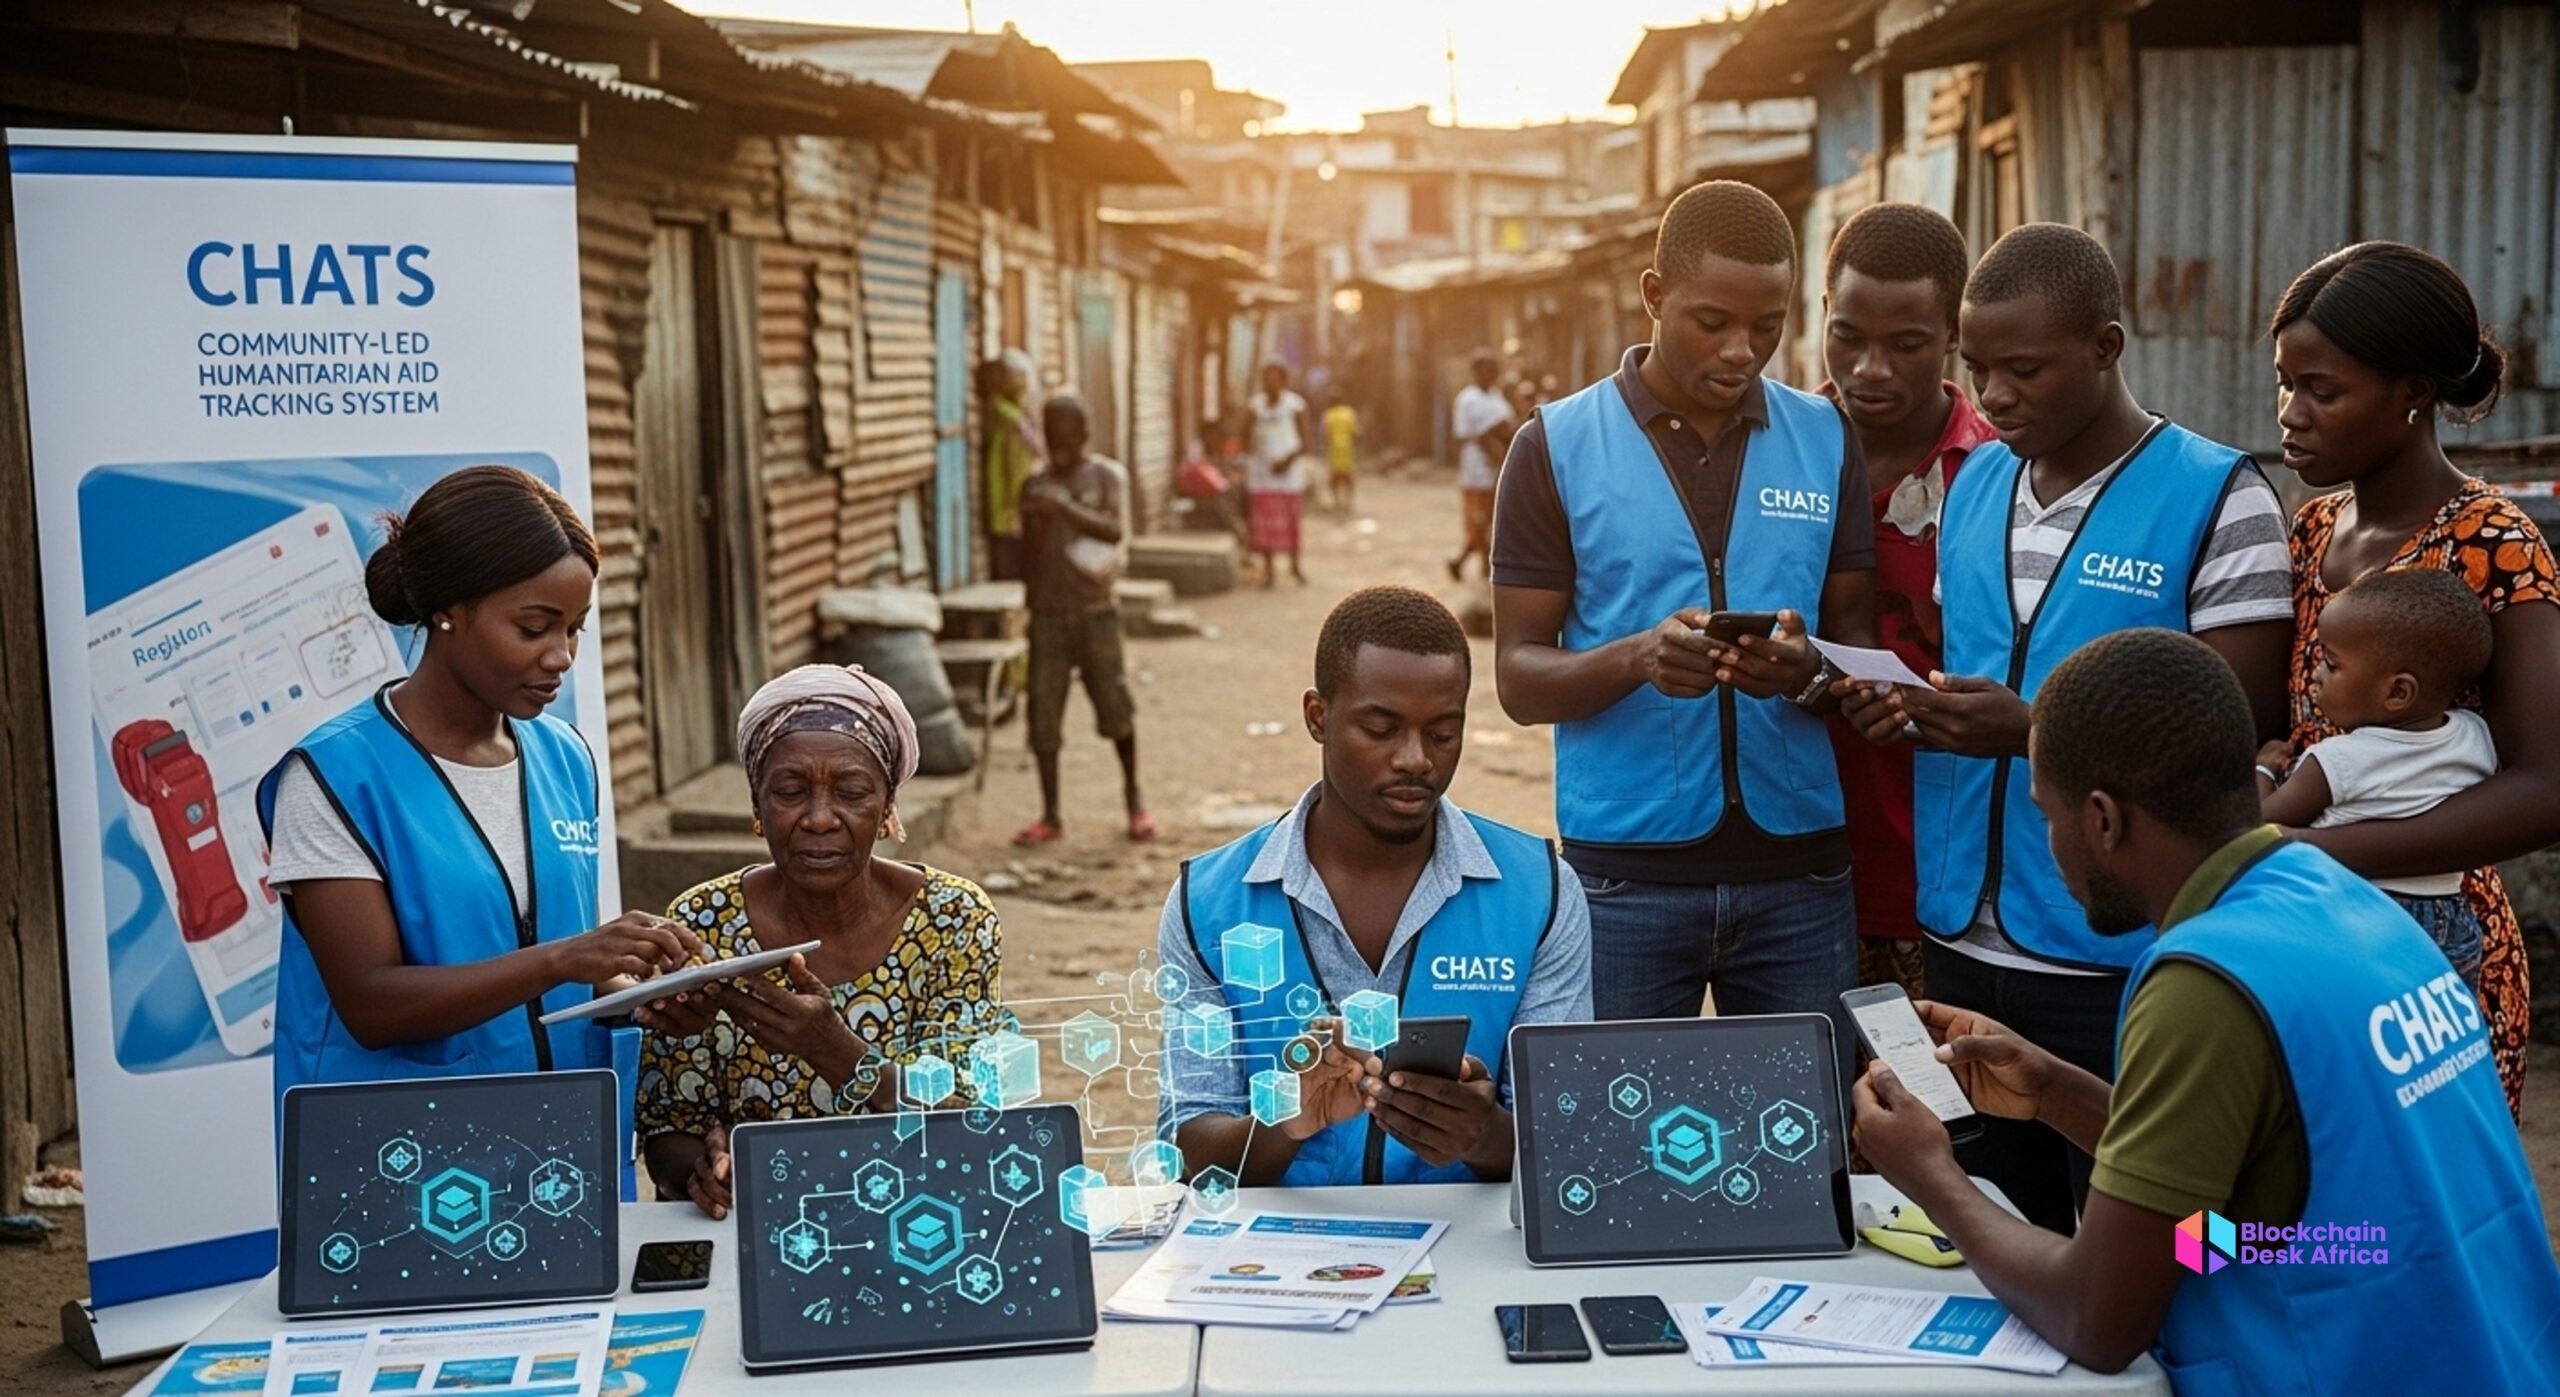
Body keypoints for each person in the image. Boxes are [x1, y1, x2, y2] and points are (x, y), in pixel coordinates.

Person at [1852, 627, 2560, 1388]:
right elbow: (2281, 1226)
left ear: (2102, 817)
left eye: (2047, 815)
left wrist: (1930, 1174)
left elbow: (2098, 1319)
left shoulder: (2204, 979)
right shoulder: (2348, 903)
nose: (2052, 846)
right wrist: (2055, 1091)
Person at [1837, 222, 2293, 1235]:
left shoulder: (2220, 496)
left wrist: (2030, 729)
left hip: (2125, 955)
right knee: (1975, 1223)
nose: (1992, 395)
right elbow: (1979, 673)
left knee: (2170, 1244)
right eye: (1977, 368)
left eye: (2024, 368)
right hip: (1958, 938)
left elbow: (2233, 741)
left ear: (2106, 346)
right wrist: (1916, 711)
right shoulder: (1975, 486)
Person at [1490, 180, 1876, 1078]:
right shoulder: (1554, 446)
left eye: (1769, 325)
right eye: (1711, 321)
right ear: (1654, 295)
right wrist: (1637, 657)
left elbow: (1856, 659)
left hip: (1801, 878)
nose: (1742, 351)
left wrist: (1806, 672)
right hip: (1624, 879)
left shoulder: (1827, 439)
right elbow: (1516, 676)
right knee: (1610, 1158)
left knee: (1806, 1151)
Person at [260, 465, 695, 1104]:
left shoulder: (565, 759)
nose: (562, 656)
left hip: (564, 1146)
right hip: (402, 1159)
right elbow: (371, 1005)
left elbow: (555, 978)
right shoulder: (335, 776)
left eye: (575, 627)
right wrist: (566, 958)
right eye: (534, 627)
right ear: (448, 612)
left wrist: (642, 995)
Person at [1159, 587, 1592, 1185]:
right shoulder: (1208, 900)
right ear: (1318, 717)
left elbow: (1571, 1145)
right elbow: (1185, 1152)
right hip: (1274, 1262)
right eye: (1381, 728)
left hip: (1473, 1258)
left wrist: (1485, 1136)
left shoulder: (1538, 892)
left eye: (1442, 733)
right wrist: (1284, 1118)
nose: (1415, 759)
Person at [2267, 240, 2560, 1117]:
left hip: (2436, 952)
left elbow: (2547, 785)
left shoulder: (2490, 541)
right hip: (2308, 934)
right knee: (2295, 1216)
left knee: (2411, 1231)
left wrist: (2320, 851)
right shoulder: (2312, 528)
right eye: (2285, 381)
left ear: (2413, 391)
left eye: (2322, 390)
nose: (2290, 412)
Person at [635, 665, 1002, 1219]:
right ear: (758, 807)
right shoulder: (703, 923)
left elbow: (971, 1134)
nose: (820, 818)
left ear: (887, 808)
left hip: (918, 1221)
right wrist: (710, 1171)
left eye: (852, 792)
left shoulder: (952, 920)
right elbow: (668, 1130)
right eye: (789, 792)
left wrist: (838, 1053)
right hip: (755, 1227)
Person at [1816, 201, 1996, 1003]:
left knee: (1945, 1114)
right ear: (1821, 313)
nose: (1871, 370)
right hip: (1795, 878)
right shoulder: (1772, 454)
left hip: (1951, 887)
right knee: (1810, 1120)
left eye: (1907, 344)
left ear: (1954, 335)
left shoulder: (1998, 475)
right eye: (1849, 336)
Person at [2258, 569, 2496, 995]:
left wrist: (2263, 769)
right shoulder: (2475, 737)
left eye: (2331, 665)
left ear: (2398, 693)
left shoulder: (2336, 762)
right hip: (2452, 922)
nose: (2314, 676)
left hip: (2357, 916)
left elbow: (2257, 826)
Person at [1012, 393, 1153, 847]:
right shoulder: (1034, 484)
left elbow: (1114, 531)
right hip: (1048, 616)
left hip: (1096, 614)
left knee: (1116, 709)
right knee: (1043, 717)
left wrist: (1064, 507)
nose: (1060, 447)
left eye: (1067, 438)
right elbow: (1022, 552)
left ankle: (1134, 801)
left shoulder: (1105, 477)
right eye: (1053, 438)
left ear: (1083, 436)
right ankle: (1050, 815)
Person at [1243, 360, 1313, 587]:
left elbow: (1305, 441)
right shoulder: (1255, 406)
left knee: (1291, 522)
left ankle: (1295, 567)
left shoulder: (1295, 406)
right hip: (1262, 474)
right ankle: (1269, 571)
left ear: (1283, 380)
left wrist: (1287, 461)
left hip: (1289, 474)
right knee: (1264, 523)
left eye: (1274, 378)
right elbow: (1245, 438)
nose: (1269, 383)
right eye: (1266, 378)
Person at [1445, 351, 1512, 581]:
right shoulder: (1469, 398)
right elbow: (1487, 432)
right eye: (1485, 370)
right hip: (1477, 467)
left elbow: (1507, 426)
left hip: (1498, 464)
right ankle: (1471, 564)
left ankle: (1475, 565)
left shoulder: (1495, 396)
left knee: (1493, 520)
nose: (1490, 375)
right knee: (1478, 519)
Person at [980, 349, 1043, 582]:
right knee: (1009, 553)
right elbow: (1016, 461)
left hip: (1012, 490)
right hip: (1008, 492)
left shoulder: (1012, 411)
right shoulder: (1008, 416)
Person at [1321, 393, 1360, 517]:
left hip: (1334, 449)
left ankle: (1337, 502)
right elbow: (1356, 431)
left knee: (1335, 476)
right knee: (1348, 474)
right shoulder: (1349, 413)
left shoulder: (1329, 415)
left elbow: (1326, 434)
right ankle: (1349, 501)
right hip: (1347, 448)